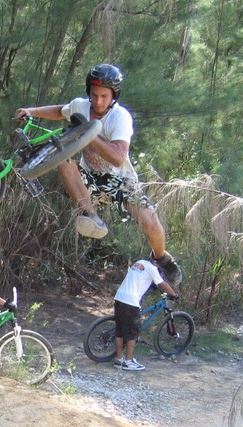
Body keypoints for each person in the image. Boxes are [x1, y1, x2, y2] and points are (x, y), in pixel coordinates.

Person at [14, 63, 181, 284]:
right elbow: (60, 110)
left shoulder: (120, 117)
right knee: (63, 160)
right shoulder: (81, 107)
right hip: (90, 178)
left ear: (114, 95)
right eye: (94, 95)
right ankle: (91, 215)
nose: (98, 101)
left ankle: (162, 258)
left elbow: (118, 157)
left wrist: (91, 132)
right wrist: (31, 111)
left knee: (151, 224)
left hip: (121, 181)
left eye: (104, 96)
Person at [113, 258, 179, 371]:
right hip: (131, 301)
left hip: (119, 297)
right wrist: (174, 294)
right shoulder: (152, 268)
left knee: (119, 331)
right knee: (134, 332)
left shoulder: (139, 262)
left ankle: (119, 360)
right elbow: (162, 283)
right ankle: (128, 362)